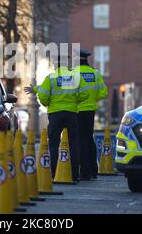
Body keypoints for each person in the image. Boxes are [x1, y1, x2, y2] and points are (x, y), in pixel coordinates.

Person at [25, 53, 89, 182]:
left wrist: (48, 103)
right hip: (71, 114)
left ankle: (53, 172)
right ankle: (74, 174)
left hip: (55, 114)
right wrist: (74, 101)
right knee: (73, 144)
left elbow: (43, 95)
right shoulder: (75, 77)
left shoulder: (51, 78)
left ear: (55, 64)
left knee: (53, 144)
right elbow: (85, 94)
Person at [73, 49, 108, 180]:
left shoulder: (73, 74)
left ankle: (85, 171)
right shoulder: (95, 73)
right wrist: (92, 99)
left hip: (77, 111)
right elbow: (103, 93)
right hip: (90, 110)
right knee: (89, 139)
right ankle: (94, 169)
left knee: (79, 140)